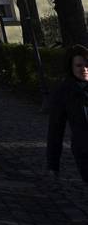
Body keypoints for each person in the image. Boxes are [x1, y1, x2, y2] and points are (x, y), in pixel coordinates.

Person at [46, 44, 88, 183]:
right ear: (71, 67)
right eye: (79, 65)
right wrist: (53, 165)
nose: (84, 69)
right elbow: (55, 130)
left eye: (87, 65)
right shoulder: (64, 92)